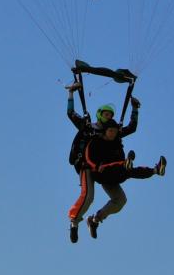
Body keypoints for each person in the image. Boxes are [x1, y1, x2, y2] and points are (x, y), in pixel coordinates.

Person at [65, 85, 165, 242]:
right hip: (88, 166)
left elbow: (131, 128)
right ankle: (74, 222)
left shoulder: (113, 131)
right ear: (100, 115)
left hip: (107, 170)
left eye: (110, 115)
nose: (108, 117)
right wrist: (71, 93)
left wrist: (134, 109)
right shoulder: (89, 127)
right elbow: (71, 113)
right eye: (106, 114)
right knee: (88, 196)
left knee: (120, 200)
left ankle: (95, 219)